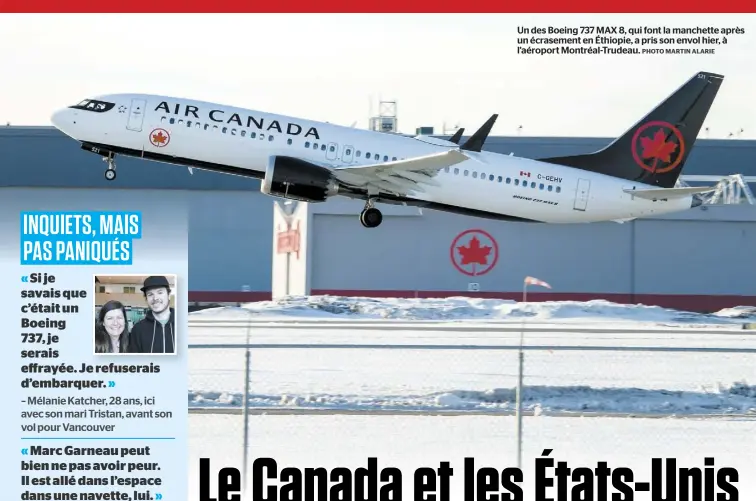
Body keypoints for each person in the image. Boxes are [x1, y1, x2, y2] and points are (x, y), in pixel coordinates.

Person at [128, 275, 176, 354]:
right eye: (150, 294)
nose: (155, 298)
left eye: (160, 292)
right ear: (146, 299)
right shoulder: (138, 329)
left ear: (169, 295)